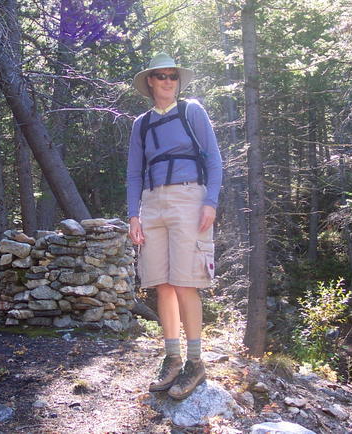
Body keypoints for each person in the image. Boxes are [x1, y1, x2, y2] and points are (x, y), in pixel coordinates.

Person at [126, 53, 222, 399]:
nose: (169, 81)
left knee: (185, 282)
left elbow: (213, 158)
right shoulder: (141, 123)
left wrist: (210, 201)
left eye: (173, 77)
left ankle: (195, 362)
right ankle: (172, 359)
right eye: (162, 76)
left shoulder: (192, 111)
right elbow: (134, 172)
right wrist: (133, 215)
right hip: (152, 204)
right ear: (150, 81)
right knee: (162, 283)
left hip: (189, 199)